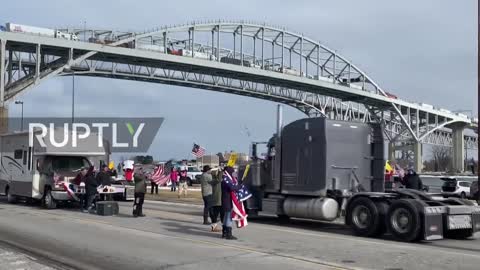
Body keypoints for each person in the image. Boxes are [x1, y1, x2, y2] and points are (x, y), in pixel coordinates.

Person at [221, 166, 242, 240]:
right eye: (232, 172)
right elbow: (232, 187)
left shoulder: (227, 178)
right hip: (227, 200)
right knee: (229, 217)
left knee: (226, 216)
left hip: (228, 200)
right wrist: (239, 187)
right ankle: (228, 234)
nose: (234, 173)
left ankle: (224, 232)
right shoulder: (226, 179)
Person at [210, 168, 223, 232]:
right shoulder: (214, 180)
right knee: (216, 213)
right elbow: (219, 179)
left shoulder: (215, 180)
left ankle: (215, 225)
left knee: (217, 213)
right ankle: (214, 226)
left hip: (217, 198)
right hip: (217, 199)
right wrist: (221, 172)